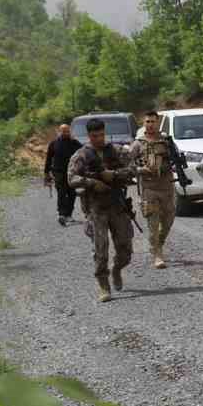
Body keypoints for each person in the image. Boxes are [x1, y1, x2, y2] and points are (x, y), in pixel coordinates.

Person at [64, 120, 136, 303]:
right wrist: (92, 183)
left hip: (117, 205)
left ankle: (117, 269)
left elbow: (133, 170)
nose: (99, 138)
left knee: (125, 248)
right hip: (96, 208)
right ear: (89, 136)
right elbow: (71, 178)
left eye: (102, 134)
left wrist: (114, 175)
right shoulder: (80, 155)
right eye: (95, 136)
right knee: (100, 249)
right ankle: (103, 284)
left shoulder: (118, 151)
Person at [130, 110, 180, 269]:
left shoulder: (166, 141)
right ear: (144, 124)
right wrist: (140, 170)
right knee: (153, 222)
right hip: (148, 189)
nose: (150, 125)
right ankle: (157, 254)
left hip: (166, 186)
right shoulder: (138, 143)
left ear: (158, 123)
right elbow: (128, 164)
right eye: (147, 122)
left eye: (153, 121)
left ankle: (159, 244)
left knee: (168, 220)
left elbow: (177, 158)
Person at [43, 123, 81, 226]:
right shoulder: (54, 144)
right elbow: (48, 159)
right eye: (63, 131)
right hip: (58, 172)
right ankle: (62, 215)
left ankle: (69, 214)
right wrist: (46, 173)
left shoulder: (75, 143)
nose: (65, 133)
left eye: (67, 131)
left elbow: (83, 154)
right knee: (61, 192)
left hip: (72, 172)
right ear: (59, 132)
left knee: (72, 193)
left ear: (70, 132)